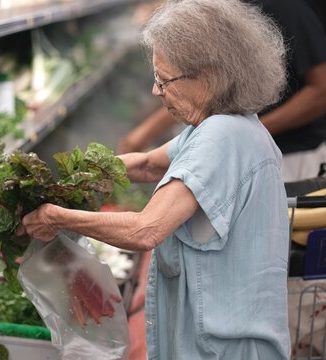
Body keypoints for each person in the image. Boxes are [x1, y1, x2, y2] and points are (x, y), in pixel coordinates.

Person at [19, 0, 291, 358]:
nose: (155, 92)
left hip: (224, 348)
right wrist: (78, 175)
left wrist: (57, 216)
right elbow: (148, 164)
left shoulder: (222, 136)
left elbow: (145, 230)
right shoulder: (226, 125)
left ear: (207, 75)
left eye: (164, 80)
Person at [117, 0, 326, 183]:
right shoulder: (215, 11)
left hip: (291, 161)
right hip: (234, 155)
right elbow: (200, 88)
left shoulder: (285, 6)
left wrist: (244, 133)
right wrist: (146, 132)